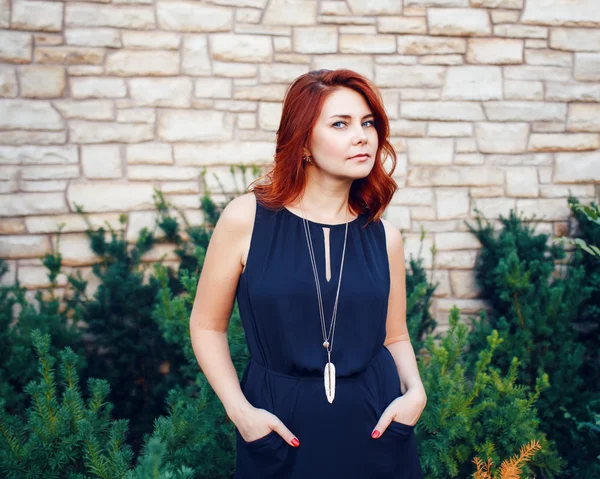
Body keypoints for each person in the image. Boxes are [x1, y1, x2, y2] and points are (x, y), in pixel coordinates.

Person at [189, 69, 427, 478]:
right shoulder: (247, 219)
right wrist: (240, 412)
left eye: (368, 123)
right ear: (302, 143)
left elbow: (395, 335)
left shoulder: (384, 236)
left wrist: (416, 393)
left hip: (376, 429)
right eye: (341, 124)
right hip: (280, 429)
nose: (362, 136)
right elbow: (206, 325)